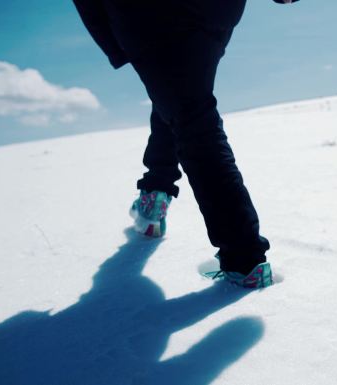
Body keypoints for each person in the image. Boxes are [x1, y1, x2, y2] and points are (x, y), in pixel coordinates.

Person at [72, 0, 298, 288]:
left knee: (190, 116)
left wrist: (115, 41)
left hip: (146, 15)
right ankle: (154, 195)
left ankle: (244, 259)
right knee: (180, 101)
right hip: (215, 12)